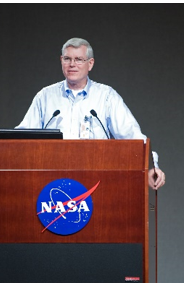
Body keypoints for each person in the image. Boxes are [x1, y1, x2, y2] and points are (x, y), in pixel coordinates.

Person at [16, 37, 165, 190]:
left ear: (90, 64)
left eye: (79, 59)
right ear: (61, 61)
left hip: (97, 182)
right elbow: (21, 138)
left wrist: (151, 166)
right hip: (51, 182)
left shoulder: (106, 96)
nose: (72, 64)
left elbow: (133, 137)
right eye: (67, 59)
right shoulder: (45, 97)